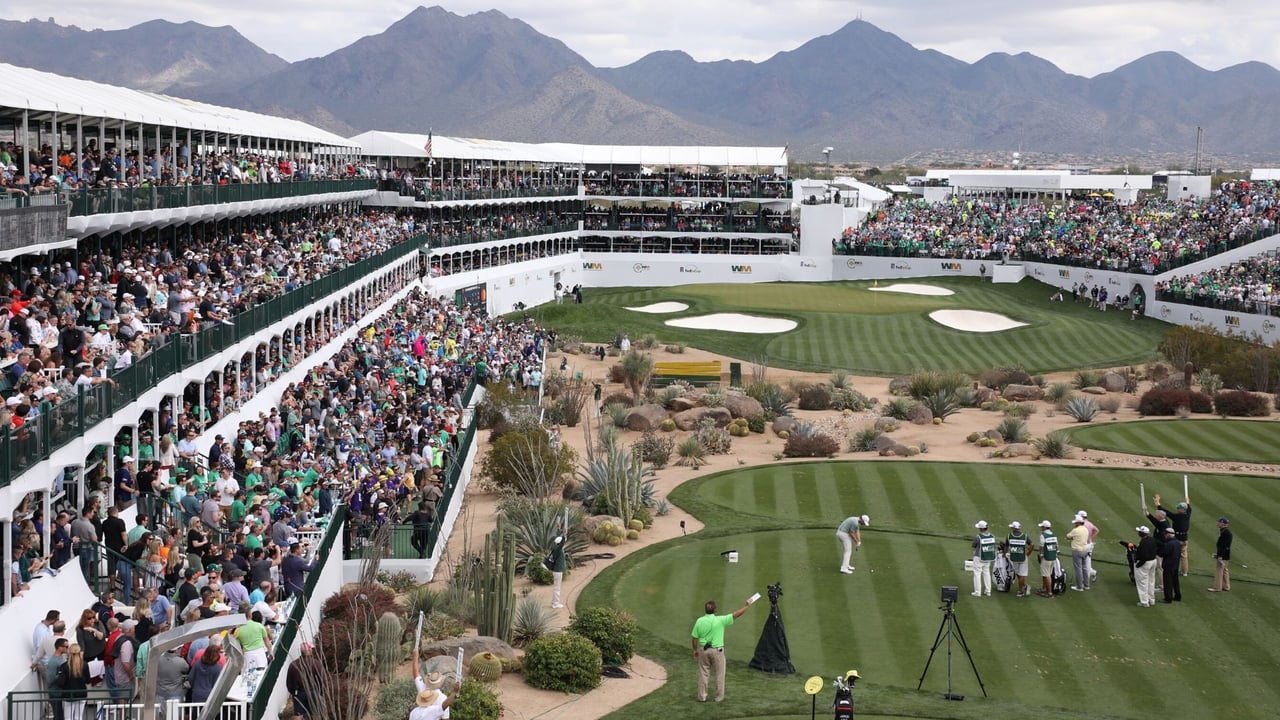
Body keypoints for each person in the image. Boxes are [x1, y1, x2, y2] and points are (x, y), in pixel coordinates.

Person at [690, 596, 756, 703]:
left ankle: (702, 697)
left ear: (705, 610)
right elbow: (736, 615)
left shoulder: (699, 621)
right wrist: (746, 606)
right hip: (717, 652)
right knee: (719, 674)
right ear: (715, 610)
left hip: (703, 651)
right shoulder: (720, 620)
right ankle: (719, 697)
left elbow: (694, 638)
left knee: (703, 674)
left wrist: (695, 650)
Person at [1156, 493, 1192, 577]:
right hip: (1185, 538)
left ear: (1182, 510)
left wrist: (1158, 504)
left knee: (1175, 555)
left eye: (1178, 508)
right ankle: (1185, 572)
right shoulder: (1188, 514)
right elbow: (1189, 508)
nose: (1177, 509)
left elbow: (1166, 512)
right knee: (1184, 556)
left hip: (1178, 539)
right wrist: (1187, 502)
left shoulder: (1177, 517)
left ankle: (1174, 569)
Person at [52, 644, 89, 720]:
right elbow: (88, 680)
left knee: (68, 717)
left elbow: (60, 683)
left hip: (68, 695)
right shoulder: (84, 665)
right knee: (78, 717)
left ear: (69, 653)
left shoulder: (64, 666)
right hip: (81, 694)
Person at [1133, 526, 1159, 607]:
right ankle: (1151, 600)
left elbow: (1144, 556)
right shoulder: (1152, 539)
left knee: (1142, 582)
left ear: (1141, 533)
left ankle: (1144, 602)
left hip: (1145, 563)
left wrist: (1139, 564)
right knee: (1151, 581)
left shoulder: (1144, 542)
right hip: (1153, 561)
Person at [1006, 521, 1031, 597]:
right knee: (1021, 574)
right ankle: (1025, 587)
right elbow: (1032, 544)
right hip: (1023, 557)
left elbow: (1006, 546)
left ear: (1013, 528)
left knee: (1019, 574)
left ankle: (1020, 590)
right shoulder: (1025, 536)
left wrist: (1004, 554)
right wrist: (1028, 553)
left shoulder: (1009, 536)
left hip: (1014, 558)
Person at [971, 520, 995, 597]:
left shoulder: (979, 537)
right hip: (988, 557)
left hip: (979, 557)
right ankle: (988, 591)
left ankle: (977, 592)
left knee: (977, 574)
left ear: (981, 528)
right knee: (987, 574)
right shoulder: (992, 536)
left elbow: (973, 545)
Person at [1066, 514, 1091, 591]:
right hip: (1085, 550)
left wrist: (1073, 537)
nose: (1074, 524)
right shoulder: (1086, 529)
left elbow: (1068, 536)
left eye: (1075, 523)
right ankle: (1086, 585)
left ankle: (1079, 586)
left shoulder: (1075, 530)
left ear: (1078, 523)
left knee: (1078, 569)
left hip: (1077, 550)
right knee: (1084, 568)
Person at [1210, 517, 1232, 592]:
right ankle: (1226, 586)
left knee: (1219, 570)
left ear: (1223, 523)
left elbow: (1225, 546)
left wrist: (1220, 556)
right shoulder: (1225, 531)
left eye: (1219, 522)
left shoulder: (1226, 533)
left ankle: (1217, 587)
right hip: (1225, 555)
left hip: (1223, 556)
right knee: (1225, 570)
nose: (1218, 523)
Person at [1160, 527, 1182, 602]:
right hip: (1175, 565)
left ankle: (1168, 598)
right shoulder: (1177, 542)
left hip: (1168, 565)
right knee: (1175, 581)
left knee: (1168, 582)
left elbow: (1163, 553)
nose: (1164, 536)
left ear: (1169, 535)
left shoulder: (1169, 544)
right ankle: (1177, 596)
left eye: (1165, 534)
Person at [1037, 520, 1058, 598]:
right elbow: (1056, 547)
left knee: (1047, 575)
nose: (1041, 528)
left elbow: (1041, 546)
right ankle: (1043, 588)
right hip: (1053, 557)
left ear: (1044, 527)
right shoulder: (1054, 535)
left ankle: (1049, 593)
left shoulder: (1043, 535)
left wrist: (1041, 555)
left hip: (1046, 558)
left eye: (1042, 527)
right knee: (1046, 574)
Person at [1077, 510, 1099, 582]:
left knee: (1085, 563)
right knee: (1085, 562)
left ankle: (1084, 582)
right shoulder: (1090, 523)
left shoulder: (1083, 525)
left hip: (1085, 545)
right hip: (1089, 544)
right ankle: (1093, 573)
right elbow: (1097, 530)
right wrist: (1091, 538)